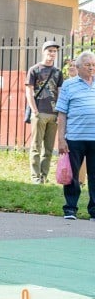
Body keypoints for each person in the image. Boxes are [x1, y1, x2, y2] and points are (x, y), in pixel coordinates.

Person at [55, 52, 95, 220]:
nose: (91, 68)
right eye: (88, 65)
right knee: (72, 175)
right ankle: (70, 209)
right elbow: (62, 114)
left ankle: (94, 210)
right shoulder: (69, 85)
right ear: (78, 68)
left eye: (93, 65)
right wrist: (61, 139)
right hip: (75, 138)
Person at [25, 41, 64, 184]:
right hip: (39, 112)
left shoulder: (58, 72)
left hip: (53, 114)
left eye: (54, 51)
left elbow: (60, 93)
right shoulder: (34, 69)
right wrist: (34, 110)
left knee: (48, 148)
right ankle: (35, 177)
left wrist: (60, 113)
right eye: (50, 50)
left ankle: (44, 176)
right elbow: (28, 90)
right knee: (36, 146)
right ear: (43, 51)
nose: (52, 53)